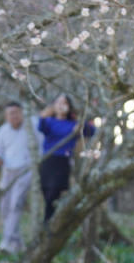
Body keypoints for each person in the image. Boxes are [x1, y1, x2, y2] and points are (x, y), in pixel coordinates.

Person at [37, 93, 95, 222]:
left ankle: (50, 220)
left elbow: (92, 131)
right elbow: (41, 127)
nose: (61, 106)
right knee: (46, 189)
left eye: (64, 103)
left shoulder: (73, 123)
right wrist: (43, 115)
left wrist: (81, 124)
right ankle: (49, 219)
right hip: (48, 159)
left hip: (63, 160)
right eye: (58, 103)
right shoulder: (49, 121)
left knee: (56, 190)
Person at [0, 101, 35, 255]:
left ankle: (6, 241)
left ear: (22, 113)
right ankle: (17, 243)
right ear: (6, 116)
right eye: (11, 113)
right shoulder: (2, 131)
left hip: (25, 170)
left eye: (17, 112)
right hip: (7, 171)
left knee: (16, 204)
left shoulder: (31, 126)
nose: (14, 116)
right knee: (5, 207)